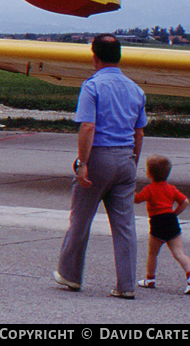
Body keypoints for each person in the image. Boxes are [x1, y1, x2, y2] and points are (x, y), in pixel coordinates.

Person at [54, 34, 146, 299]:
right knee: (125, 226)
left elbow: (88, 126)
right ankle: (126, 285)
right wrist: (132, 162)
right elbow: (139, 133)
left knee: (81, 219)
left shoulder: (92, 86)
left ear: (94, 56)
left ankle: (70, 274)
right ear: (119, 56)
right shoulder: (135, 89)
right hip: (126, 157)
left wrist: (83, 163)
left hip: (99, 158)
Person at [134, 154, 190, 295]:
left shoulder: (150, 189)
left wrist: (128, 189)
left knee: (153, 253)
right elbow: (185, 201)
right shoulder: (171, 188)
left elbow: (137, 199)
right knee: (179, 252)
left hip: (157, 223)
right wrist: (174, 214)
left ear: (149, 173)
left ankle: (150, 279)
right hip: (171, 221)